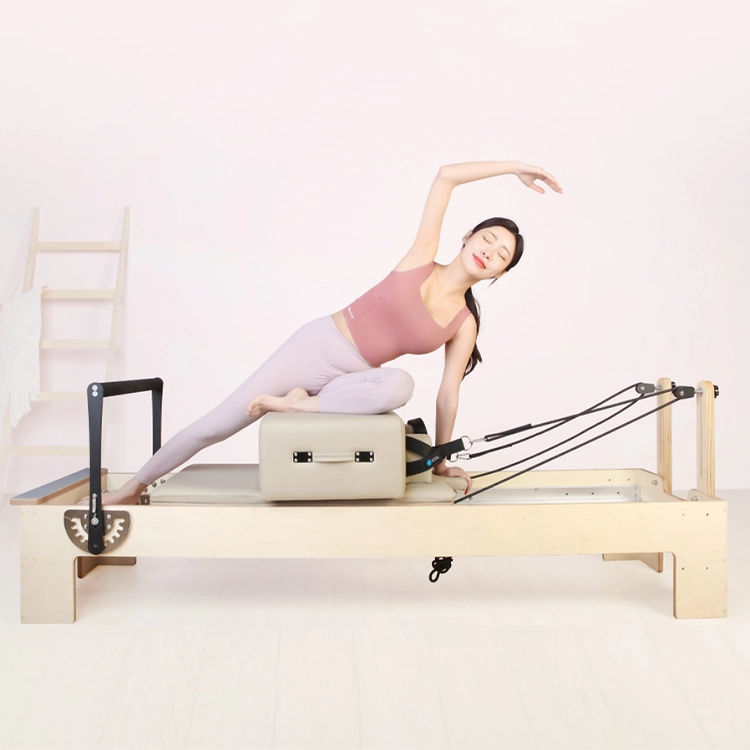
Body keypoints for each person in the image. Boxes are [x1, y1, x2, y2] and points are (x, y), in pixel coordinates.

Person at [94, 160, 563, 506]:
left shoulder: (463, 322)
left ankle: (298, 405)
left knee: (400, 384)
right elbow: (446, 176)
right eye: (487, 239)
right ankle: (134, 487)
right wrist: (514, 168)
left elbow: (447, 394)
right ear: (467, 237)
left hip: (351, 382)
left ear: (499, 274)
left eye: (501, 255)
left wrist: (440, 460)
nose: (490, 251)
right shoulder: (422, 256)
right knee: (216, 425)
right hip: (315, 348)